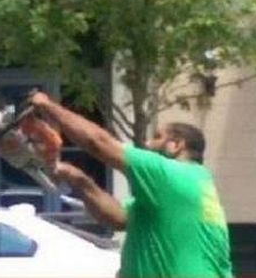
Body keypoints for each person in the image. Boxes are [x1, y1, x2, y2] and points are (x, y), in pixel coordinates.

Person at [28, 91, 233, 278]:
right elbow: (119, 218)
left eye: (157, 137)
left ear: (176, 145)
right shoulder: (192, 183)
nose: (147, 144)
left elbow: (98, 143)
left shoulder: (169, 173)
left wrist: (47, 106)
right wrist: (76, 178)